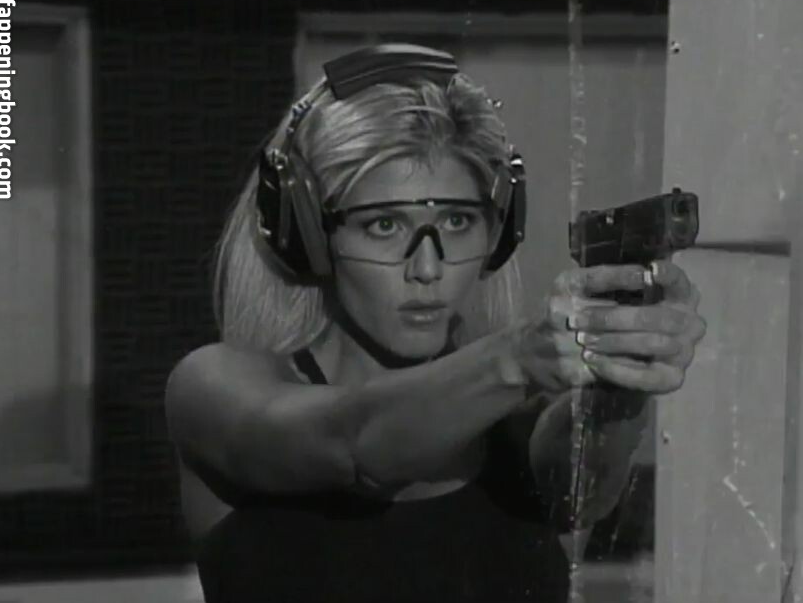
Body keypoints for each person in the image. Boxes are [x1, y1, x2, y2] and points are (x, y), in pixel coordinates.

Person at [164, 44, 706, 603]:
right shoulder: (212, 389)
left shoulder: (518, 423)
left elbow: (582, 493)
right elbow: (353, 444)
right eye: (383, 226)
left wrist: (623, 366)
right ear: (308, 236)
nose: (427, 268)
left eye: (457, 221)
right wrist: (516, 358)